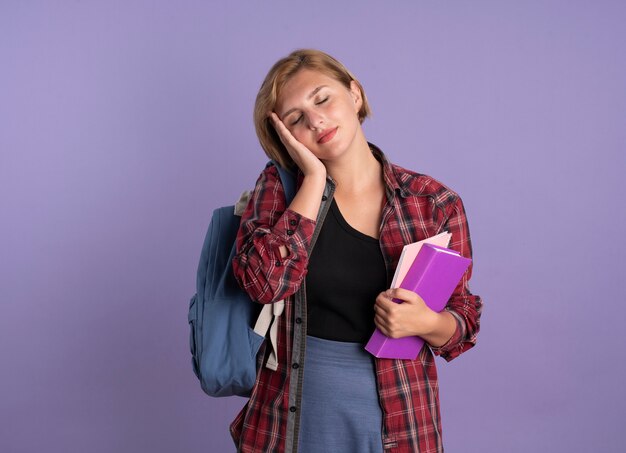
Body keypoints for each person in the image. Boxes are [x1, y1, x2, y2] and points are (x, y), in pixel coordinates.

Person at [230, 49, 482, 453]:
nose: (315, 120)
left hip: (400, 416)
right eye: (295, 119)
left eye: (322, 98)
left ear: (355, 94)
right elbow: (264, 285)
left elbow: (463, 320)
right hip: (293, 417)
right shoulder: (280, 191)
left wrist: (425, 322)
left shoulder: (432, 203)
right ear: (286, 137)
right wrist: (313, 181)